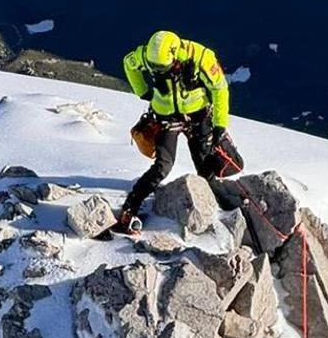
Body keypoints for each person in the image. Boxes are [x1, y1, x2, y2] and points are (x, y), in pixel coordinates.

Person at [99, 29, 239, 239]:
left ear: (175, 54)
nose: (158, 71)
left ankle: (216, 196)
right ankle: (131, 206)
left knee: (204, 163)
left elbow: (220, 89)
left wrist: (220, 125)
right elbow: (129, 63)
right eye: (154, 67)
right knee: (163, 166)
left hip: (196, 115)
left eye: (162, 67)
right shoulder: (148, 55)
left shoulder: (200, 57)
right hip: (168, 116)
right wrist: (142, 91)